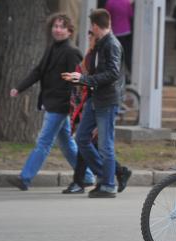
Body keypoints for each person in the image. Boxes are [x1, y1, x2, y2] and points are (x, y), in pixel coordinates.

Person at [7, 13, 95, 191]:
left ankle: (25, 178)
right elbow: (38, 71)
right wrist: (19, 88)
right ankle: (87, 176)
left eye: (62, 27)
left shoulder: (72, 52)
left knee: (44, 141)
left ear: (70, 31)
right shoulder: (52, 48)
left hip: (61, 105)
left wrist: (73, 105)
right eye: (55, 26)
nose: (58, 29)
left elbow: (79, 80)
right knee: (66, 144)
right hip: (52, 102)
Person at [62, 9, 124, 198]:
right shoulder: (100, 43)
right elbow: (94, 70)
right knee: (81, 138)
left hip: (107, 101)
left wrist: (84, 79)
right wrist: (80, 78)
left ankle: (108, 184)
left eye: (92, 27)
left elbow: (113, 73)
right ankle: (105, 176)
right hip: (95, 99)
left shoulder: (111, 44)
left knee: (105, 145)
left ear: (96, 26)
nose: (91, 30)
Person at [105, 0, 134, 76]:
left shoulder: (110, 2)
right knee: (126, 54)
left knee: (115, 56)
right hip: (126, 32)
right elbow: (130, 15)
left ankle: (116, 75)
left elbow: (106, 17)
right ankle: (129, 74)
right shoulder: (126, 2)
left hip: (115, 33)